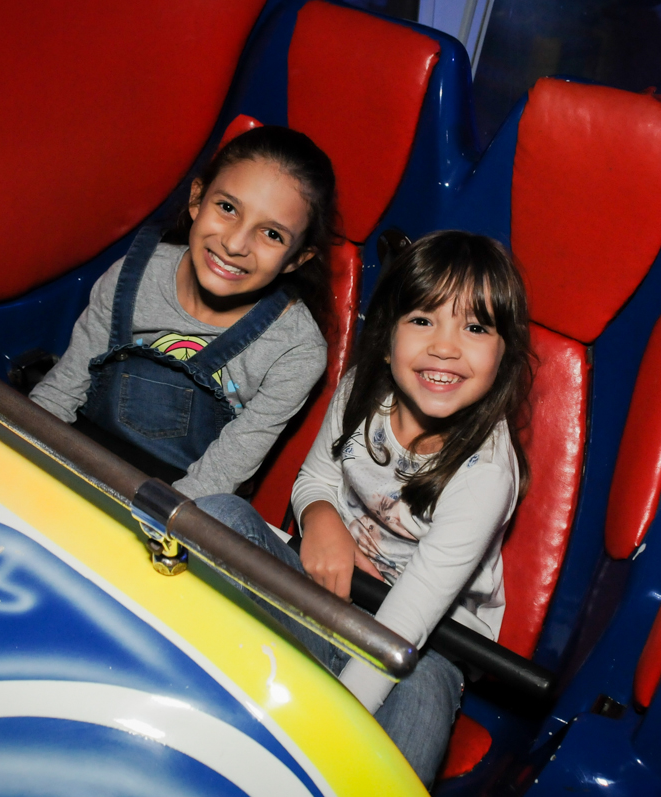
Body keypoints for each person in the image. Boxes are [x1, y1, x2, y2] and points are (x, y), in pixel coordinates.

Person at [197, 230, 533, 787]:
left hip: (422, 641)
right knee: (216, 516)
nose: (445, 347)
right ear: (387, 338)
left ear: (503, 355)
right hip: (326, 593)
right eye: (423, 320)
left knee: (424, 685)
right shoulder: (362, 389)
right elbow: (316, 478)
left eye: (474, 328)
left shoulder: (486, 475)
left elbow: (407, 622)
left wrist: (326, 728)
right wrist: (320, 519)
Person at [30, 126, 336, 498]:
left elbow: (218, 478)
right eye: (227, 208)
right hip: (80, 463)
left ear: (297, 260)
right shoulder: (133, 277)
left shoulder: (294, 351)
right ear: (196, 199)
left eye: (272, 234)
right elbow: (60, 395)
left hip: (183, 507)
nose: (235, 244)